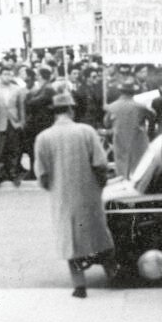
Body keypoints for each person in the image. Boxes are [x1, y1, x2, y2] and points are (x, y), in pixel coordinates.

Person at [34, 92, 119, 298]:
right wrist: (100, 184)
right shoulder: (86, 131)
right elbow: (100, 164)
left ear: (54, 113)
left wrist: (55, 187)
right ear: (72, 110)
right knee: (99, 233)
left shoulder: (43, 137)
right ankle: (113, 275)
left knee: (70, 239)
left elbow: (43, 176)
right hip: (89, 194)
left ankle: (79, 286)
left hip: (62, 197)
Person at [103, 76, 155, 178]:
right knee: (138, 167)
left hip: (120, 139)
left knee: (121, 164)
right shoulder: (141, 107)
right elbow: (153, 116)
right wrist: (149, 133)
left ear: (121, 92)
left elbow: (106, 123)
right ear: (133, 92)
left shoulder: (112, 106)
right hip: (137, 139)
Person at [0, 65, 26, 187]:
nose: (7, 77)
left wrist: (22, 122)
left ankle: (13, 173)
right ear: (0, 75)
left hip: (13, 121)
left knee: (14, 149)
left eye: (9, 74)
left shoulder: (17, 89)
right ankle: (0, 174)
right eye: (5, 74)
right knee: (1, 150)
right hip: (0, 122)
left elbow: (21, 107)